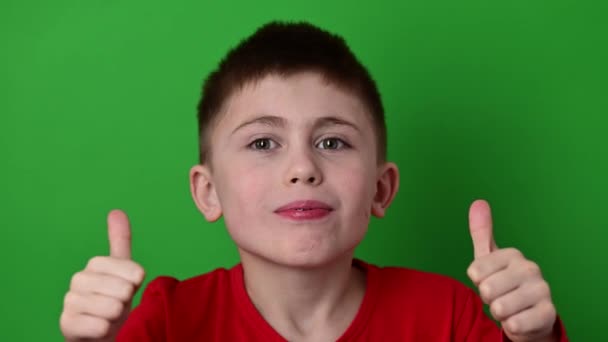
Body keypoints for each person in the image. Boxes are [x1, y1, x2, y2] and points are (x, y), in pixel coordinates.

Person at [59, 21, 568, 341]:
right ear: (208, 191)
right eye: (263, 143)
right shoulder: (166, 321)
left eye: (332, 142)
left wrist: (536, 340)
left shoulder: (447, 316)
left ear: (380, 189)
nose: (302, 168)